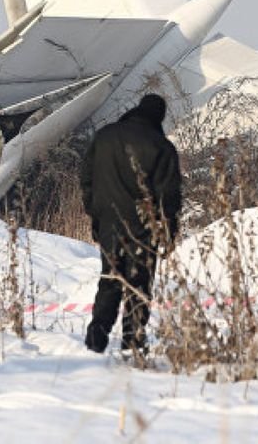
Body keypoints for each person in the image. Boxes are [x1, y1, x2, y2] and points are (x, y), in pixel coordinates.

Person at [80, 93, 182, 361]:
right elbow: (168, 196)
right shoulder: (160, 146)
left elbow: (87, 178)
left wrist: (95, 214)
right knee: (139, 283)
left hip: (108, 223)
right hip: (143, 228)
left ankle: (96, 339)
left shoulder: (104, 136)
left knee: (111, 279)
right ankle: (132, 339)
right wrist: (169, 232)